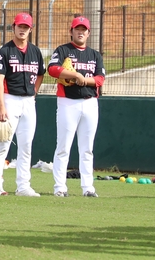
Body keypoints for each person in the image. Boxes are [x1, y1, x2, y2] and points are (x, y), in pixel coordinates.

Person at [48, 16, 105, 198]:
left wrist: (81, 79)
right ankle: (60, 187)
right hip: (68, 102)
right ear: (71, 31)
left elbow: (100, 79)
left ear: (88, 33)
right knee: (63, 146)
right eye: (77, 29)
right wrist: (74, 76)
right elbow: (52, 69)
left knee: (87, 148)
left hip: (89, 102)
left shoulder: (95, 55)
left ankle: (88, 187)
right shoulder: (63, 50)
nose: (80, 32)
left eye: (84, 29)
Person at [0, 13, 45, 196]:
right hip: (10, 99)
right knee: (3, 143)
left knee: (26, 145)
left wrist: (34, 92)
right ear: (13, 27)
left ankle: (23, 186)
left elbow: (40, 73)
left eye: (26, 27)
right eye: (20, 26)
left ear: (30, 29)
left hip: (29, 101)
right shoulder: (5, 51)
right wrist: (1, 105)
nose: (22, 30)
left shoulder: (35, 51)